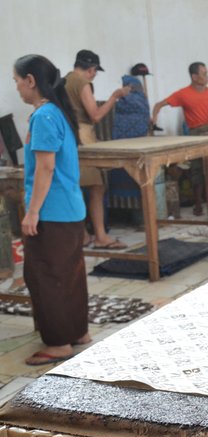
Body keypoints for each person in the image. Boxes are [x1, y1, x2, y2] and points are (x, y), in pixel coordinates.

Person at [13, 54, 92, 365]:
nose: (17, 88)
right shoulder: (58, 112)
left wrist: (32, 213)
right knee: (70, 274)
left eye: (17, 81)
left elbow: (45, 169)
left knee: (45, 276)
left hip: (51, 212)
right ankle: (78, 332)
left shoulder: (44, 116)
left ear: (30, 80)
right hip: (70, 209)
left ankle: (59, 343)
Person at [64, 49, 132, 249]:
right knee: (97, 187)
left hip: (68, 136)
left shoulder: (63, 81)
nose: (94, 74)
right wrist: (115, 96)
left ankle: (83, 235)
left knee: (74, 187)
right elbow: (94, 115)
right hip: (82, 135)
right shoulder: (83, 83)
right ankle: (101, 236)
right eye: (94, 70)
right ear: (91, 69)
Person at [150, 62, 208, 216]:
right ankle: (198, 204)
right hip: (195, 133)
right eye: (204, 74)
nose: (207, 77)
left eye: (207, 73)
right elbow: (159, 104)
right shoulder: (183, 94)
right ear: (194, 77)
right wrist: (154, 118)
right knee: (197, 168)